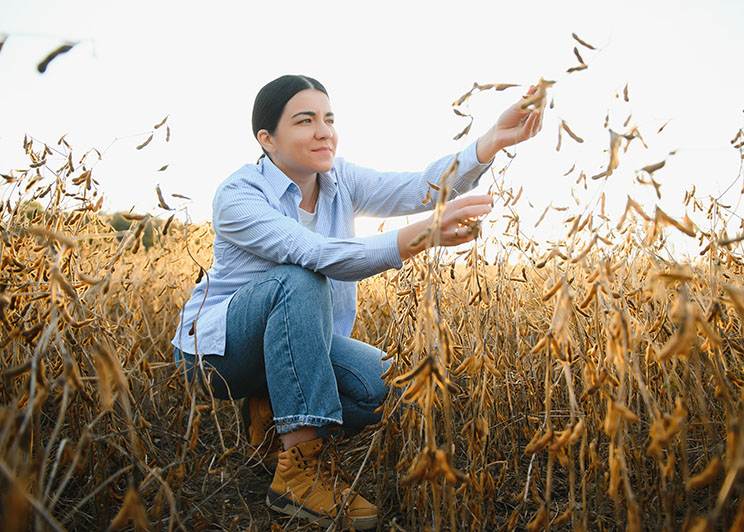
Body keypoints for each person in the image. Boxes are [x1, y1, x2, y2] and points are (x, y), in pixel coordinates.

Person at [171, 74, 543, 530]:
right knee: (299, 278)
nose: (323, 131)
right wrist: (424, 234)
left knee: (398, 391)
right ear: (266, 139)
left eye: (328, 118)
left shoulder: (339, 177)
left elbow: (421, 188)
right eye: (305, 121)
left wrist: (491, 141)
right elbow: (315, 254)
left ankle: (269, 413)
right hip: (218, 354)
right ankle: (300, 473)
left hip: (298, 346)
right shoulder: (239, 194)